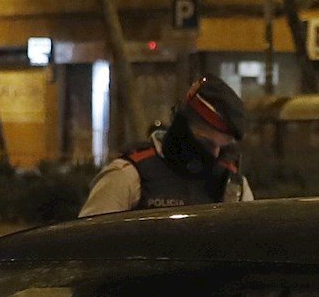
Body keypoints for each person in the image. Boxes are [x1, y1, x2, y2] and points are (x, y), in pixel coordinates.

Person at [78, 76, 253, 216]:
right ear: (182, 129)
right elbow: (87, 248)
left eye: (222, 147)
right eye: (206, 143)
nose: (215, 155)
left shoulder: (234, 187)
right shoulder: (128, 177)